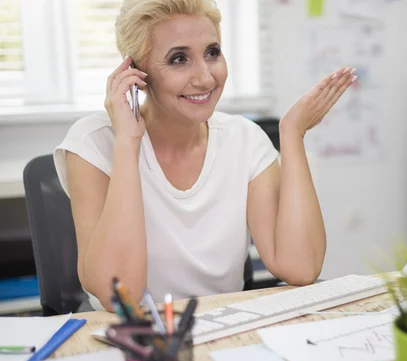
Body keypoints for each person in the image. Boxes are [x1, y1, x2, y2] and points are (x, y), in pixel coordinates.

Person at [53, 0, 357, 311]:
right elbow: (119, 294)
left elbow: (301, 268)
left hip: (225, 331)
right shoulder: (94, 143)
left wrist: (292, 133)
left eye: (212, 53)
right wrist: (129, 144)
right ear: (136, 73)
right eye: (179, 59)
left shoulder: (245, 140)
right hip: (130, 338)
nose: (205, 77)